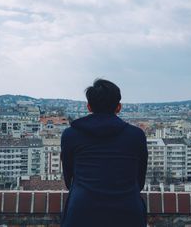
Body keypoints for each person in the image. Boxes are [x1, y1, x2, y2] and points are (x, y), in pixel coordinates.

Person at [60, 79, 148, 227]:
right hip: (128, 212)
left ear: (89, 107)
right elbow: (139, 181)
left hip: (81, 213)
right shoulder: (136, 135)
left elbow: (69, 179)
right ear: (118, 107)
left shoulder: (70, 135)